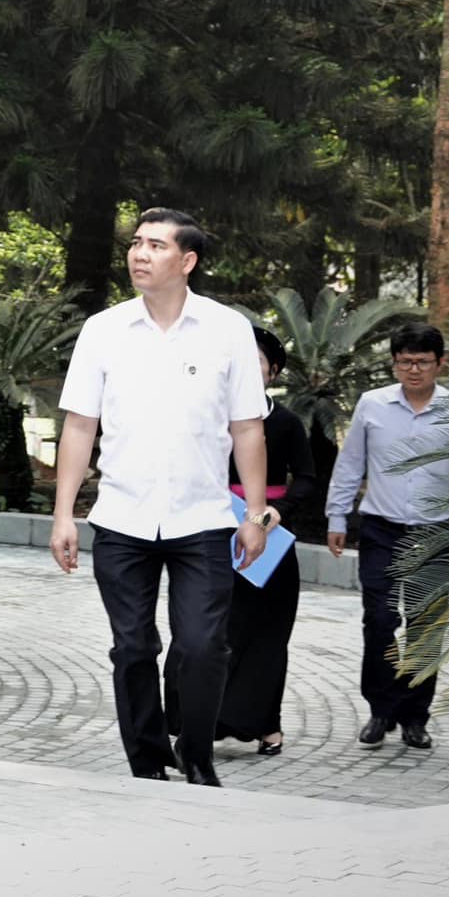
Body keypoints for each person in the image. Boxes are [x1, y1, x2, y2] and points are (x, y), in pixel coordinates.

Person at [50, 207, 272, 787]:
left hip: (202, 519)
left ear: (187, 260)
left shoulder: (229, 330)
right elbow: (80, 426)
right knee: (132, 648)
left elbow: (248, 428)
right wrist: (64, 514)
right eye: (136, 243)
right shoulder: (103, 330)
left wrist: (255, 516)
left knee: (202, 647)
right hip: (122, 518)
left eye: (155, 245)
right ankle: (147, 761)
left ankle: (196, 753)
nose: (139, 254)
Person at [325, 322, 449, 752]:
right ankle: (381, 710)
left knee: (426, 623)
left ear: (440, 363)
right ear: (394, 363)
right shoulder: (372, 404)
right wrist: (337, 517)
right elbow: (351, 464)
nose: (413, 370)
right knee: (379, 620)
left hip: (434, 533)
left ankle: (416, 716)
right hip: (380, 528)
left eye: (422, 362)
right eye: (405, 362)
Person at [166, 324, 315, 757]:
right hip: (209, 533)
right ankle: (191, 723)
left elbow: (307, 479)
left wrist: (274, 513)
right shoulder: (204, 416)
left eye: (258, 362)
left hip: (270, 541)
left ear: (274, 371)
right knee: (200, 629)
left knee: (267, 634)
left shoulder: (286, 423)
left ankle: (266, 724)